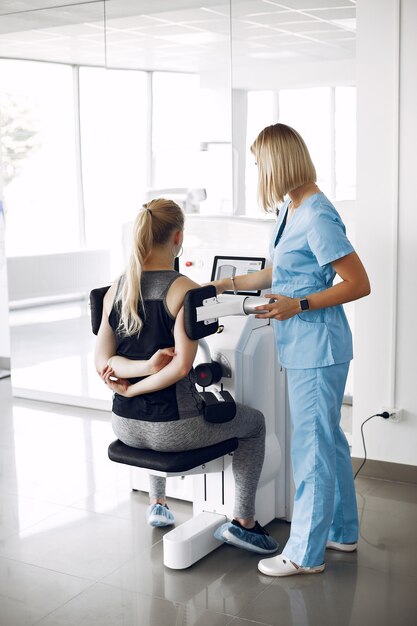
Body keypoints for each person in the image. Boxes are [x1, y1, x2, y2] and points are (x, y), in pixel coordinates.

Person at [211, 123, 371, 577]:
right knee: (329, 443)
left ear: (278, 162)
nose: (257, 170)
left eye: (260, 162)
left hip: (318, 346)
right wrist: (226, 283)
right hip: (302, 345)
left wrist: (298, 304)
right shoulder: (291, 208)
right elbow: (277, 272)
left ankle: (304, 553)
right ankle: (342, 531)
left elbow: (359, 283)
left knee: (312, 449)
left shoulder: (318, 214)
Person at [94, 197, 278, 555]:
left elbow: (104, 362)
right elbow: (180, 367)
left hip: (123, 424)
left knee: (157, 410)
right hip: (174, 430)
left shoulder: (116, 288)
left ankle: (158, 503)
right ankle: (245, 523)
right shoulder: (185, 290)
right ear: (178, 238)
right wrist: (147, 376)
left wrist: (133, 386)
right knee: (254, 423)